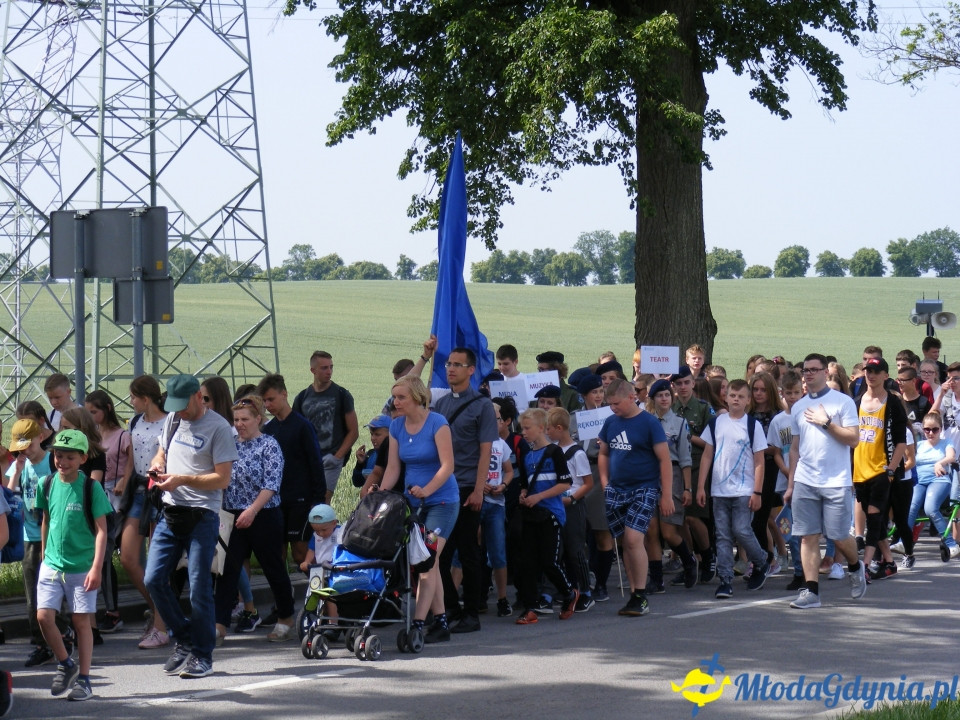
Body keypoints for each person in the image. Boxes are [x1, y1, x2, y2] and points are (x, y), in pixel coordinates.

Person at [144, 374, 237, 679]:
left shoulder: (220, 428)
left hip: (202, 516)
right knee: (154, 578)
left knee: (199, 589)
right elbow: (163, 451)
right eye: (175, 406)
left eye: (184, 405)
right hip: (170, 513)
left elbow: (222, 479)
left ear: (199, 396)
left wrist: (182, 478)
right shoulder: (172, 419)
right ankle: (184, 637)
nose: (179, 411)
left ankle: (202, 655)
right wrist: (159, 464)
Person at [377, 375, 459, 643]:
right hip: (414, 503)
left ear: (416, 397)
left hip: (442, 503)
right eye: (394, 397)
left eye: (401, 397)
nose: (396, 402)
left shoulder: (437, 423)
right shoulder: (397, 426)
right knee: (428, 562)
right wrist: (381, 492)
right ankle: (442, 621)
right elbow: (393, 468)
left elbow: (448, 466)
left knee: (428, 560)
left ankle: (419, 622)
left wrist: (428, 490)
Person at [784, 353, 866, 610]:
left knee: (839, 535)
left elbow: (853, 439)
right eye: (805, 370)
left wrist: (827, 423)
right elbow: (795, 448)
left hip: (836, 480)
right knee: (807, 537)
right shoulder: (798, 407)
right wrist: (791, 482)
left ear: (824, 373)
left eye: (813, 370)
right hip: (805, 479)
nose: (808, 374)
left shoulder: (842, 402)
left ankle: (855, 566)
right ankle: (811, 592)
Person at [36, 429, 111, 701]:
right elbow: (46, 518)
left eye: (69, 457)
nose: (62, 461)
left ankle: (85, 679)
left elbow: (102, 530)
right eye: (58, 455)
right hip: (52, 565)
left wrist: (96, 567)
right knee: (43, 617)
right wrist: (45, 553)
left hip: (82, 567)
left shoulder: (91, 488)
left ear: (83, 458)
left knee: (81, 622)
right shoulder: (47, 483)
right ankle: (66, 663)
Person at [214, 395, 295, 644]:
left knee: (273, 567)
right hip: (233, 515)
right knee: (227, 571)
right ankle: (219, 625)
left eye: (245, 419)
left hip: (263, 514)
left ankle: (286, 617)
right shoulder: (230, 445)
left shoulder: (269, 445)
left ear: (258, 419)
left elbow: (271, 484)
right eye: (236, 419)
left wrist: (252, 511)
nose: (239, 424)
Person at [597, 378, 673, 617]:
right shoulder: (610, 422)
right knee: (625, 544)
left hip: (644, 488)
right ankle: (633, 594)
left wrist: (667, 495)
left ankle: (641, 594)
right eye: (609, 404)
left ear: (632, 397)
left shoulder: (649, 423)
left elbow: (664, 459)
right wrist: (605, 483)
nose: (613, 408)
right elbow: (603, 453)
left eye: (616, 403)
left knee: (632, 539)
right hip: (616, 490)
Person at [435, 346, 498, 634]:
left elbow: (486, 452)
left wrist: (478, 490)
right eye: (449, 363)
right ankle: (451, 607)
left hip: (466, 489)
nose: (451, 369)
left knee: (469, 552)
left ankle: (471, 613)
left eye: (458, 365)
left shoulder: (482, 405)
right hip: (443, 489)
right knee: (439, 556)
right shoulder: (442, 404)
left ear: (471, 370)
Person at [697, 380, 769, 599]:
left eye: (741, 396)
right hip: (719, 490)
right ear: (725, 398)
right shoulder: (716, 423)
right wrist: (701, 486)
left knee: (741, 530)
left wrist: (757, 491)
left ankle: (761, 560)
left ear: (748, 401)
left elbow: (759, 461)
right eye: (732, 395)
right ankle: (726, 579)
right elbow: (707, 455)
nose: (736, 399)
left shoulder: (752, 425)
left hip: (743, 489)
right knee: (722, 536)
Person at [5, 418, 66, 667]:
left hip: (51, 536)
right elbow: (7, 495)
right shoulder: (21, 465)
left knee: (53, 592)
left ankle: (61, 638)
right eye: (19, 447)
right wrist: (17, 471)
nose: (24, 451)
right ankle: (41, 643)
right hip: (29, 536)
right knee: (32, 596)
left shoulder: (52, 463)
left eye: (28, 445)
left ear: (41, 437)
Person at [514, 409, 579, 624]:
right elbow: (525, 484)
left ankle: (569, 593)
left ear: (541, 428)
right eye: (522, 428)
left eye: (527, 428)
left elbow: (565, 483)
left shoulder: (554, 452)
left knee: (548, 560)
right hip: (532, 513)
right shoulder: (527, 455)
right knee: (528, 563)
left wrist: (539, 496)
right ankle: (531, 608)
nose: (523, 432)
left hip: (550, 512)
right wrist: (524, 494)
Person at [257, 373, 326, 565]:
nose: (268, 405)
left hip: (300, 501)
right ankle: (284, 594)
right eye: (264, 401)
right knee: (276, 554)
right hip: (276, 501)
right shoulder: (268, 430)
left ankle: (315, 590)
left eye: (271, 399)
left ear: (284, 394)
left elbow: (316, 463)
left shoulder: (303, 426)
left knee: (300, 553)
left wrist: (318, 499)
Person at [852, 357, 907, 582]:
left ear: (886, 375)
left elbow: (901, 442)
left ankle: (864, 565)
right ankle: (889, 561)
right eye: (868, 370)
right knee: (877, 518)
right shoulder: (856, 402)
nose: (871, 375)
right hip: (859, 470)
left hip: (881, 471)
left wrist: (891, 470)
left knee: (874, 519)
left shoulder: (892, 404)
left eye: (876, 371)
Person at [126, 375, 170, 649]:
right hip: (138, 491)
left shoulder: (169, 422)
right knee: (129, 557)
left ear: (145, 398)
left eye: (133, 397)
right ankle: (158, 609)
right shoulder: (135, 421)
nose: (130, 402)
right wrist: (124, 480)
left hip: (160, 493)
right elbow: (132, 457)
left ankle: (161, 626)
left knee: (156, 563)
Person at [84, 390, 133, 635]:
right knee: (100, 557)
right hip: (99, 494)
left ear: (107, 409)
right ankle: (105, 609)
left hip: (115, 495)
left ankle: (113, 611)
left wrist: (124, 480)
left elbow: (131, 463)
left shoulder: (122, 435)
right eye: (88, 412)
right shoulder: (92, 437)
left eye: (94, 411)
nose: (91, 416)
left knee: (107, 556)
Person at [642, 380, 698, 592]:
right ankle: (656, 579)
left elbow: (685, 458)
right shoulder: (646, 421)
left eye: (667, 395)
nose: (664, 399)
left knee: (668, 531)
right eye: (659, 396)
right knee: (651, 530)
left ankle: (689, 560)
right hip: (649, 474)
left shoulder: (680, 423)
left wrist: (687, 488)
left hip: (672, 475)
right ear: (653, 399)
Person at [292, 351, 359, 502]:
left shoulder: (342, 394)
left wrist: (337, 457)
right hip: (308, 459)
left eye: (331, 367)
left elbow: (353, 431)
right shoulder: (302, 397)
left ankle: (323, 526)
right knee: (305, 500)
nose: (329, 371)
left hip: (331, 457)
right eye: (324, 368)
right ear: (313, 370)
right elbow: (296, 430)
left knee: (322, 501)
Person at [546, 407, 594, 612]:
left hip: (572, 506)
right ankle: (558, 590)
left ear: (559, 428)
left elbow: (587, 483)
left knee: (575, 550)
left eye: (549, 429)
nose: (546, 432)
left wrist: (573, 498)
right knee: (555, 550)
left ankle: (585, 592)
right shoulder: (553, 450)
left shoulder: (577, 453)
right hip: (556, 504)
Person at [671, 365, 716, 583]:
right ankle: (690, 560)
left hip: (698, 465)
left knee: (694, 515)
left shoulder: (703, 408)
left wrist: (686, 435)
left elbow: (711, 442)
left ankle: (708, 557)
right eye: (678, 383)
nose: (683, 387)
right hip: (675, 466)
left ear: (692, 382)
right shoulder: (669, 408)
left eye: (687, 382)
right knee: (679, 519)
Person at [905, 411, 959, 560]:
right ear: (923, 429)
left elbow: (951, 457)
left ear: (940, 429)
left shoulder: (946, 442)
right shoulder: (920, 445)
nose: (930, 433)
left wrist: (939, 463)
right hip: (919, 481)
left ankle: (951, 544)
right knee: (911, 508)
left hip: (939, 479)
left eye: (935, 429)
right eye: (927, 429)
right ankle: (904, 542)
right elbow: (909, 460)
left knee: (930, 509)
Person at [481, 405, 515, 617]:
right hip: (476, 500)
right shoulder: (473, 442)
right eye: (491, 418)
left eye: (498, 419)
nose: (496, 422)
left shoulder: (501, 444)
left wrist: (502, 485)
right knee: (465, 552)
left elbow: (509, 471)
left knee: (498, 551)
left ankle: (502, 597)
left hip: (496, 502)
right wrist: (479, 484)